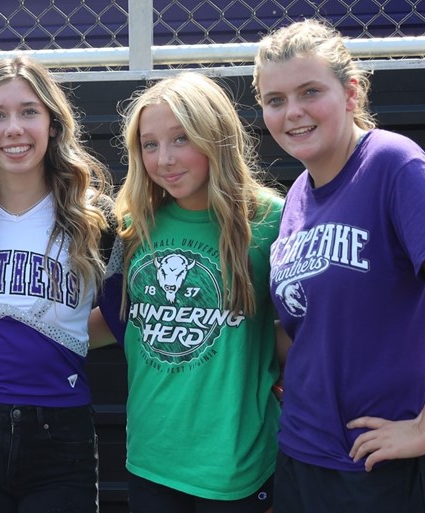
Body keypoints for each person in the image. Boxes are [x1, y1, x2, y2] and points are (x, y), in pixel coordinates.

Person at [253, 18, 425, 512]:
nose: (293, 112)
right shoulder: (295, 197)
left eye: (310, 91)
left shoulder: (395, 164)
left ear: (351, 93)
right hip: (302, 458)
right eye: (275, 100)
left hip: (381, 470)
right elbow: (314, 332)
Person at [0, 55, 116, 512]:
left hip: (62, 432)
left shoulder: (96, 217)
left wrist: (61, 336)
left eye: (29, 111)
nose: (14, 128)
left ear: (53, 123)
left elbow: (119, 316)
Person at [99, 71, 283, 512]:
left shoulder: (270, 219)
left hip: (236, 463)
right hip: (151, 459)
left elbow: (304, 326)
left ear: (215, 136)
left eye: (181, 138)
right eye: (149, 144)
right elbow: (121, 321)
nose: (164, 159)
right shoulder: (133, 226)